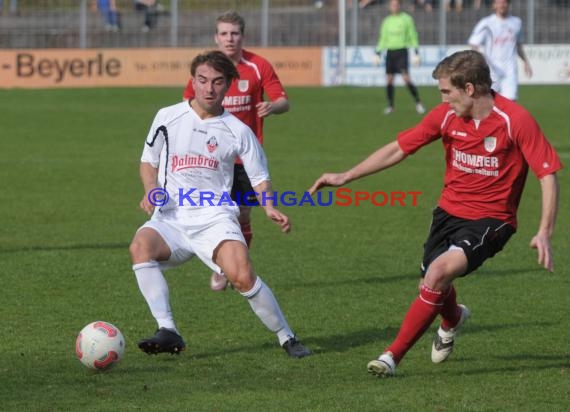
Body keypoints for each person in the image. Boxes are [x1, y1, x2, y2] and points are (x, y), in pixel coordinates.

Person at [308, 50, 561, 377]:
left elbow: (547, 174)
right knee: (430, 284)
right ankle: (453, 318)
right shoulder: (446, 117)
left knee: (437, 274)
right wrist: (346, 175)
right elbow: (399, 147)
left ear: (469, 89)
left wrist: (544, 231)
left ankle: (391, 357)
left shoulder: (516, 120)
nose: (442, 100)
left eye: (446, 92)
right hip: (447, 213)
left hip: (491, 220)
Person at [130, 50, 311, 359]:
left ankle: (286, 336)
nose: (208, 88)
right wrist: (151, 190)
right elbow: (148, 160)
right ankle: (168, 330)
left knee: (242, 277)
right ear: (193, 81)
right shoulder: (167, 117)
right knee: (140, 247)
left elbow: (260, 177)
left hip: (215, 218)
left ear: (228, 85)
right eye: (202, 80)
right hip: (171, 218)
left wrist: (269, 207)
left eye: (216, 82)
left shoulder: (238, 131)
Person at [183, 11, 290, 292]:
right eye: (224, 34)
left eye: (234, 34)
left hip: (243, 159)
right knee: (218, 214)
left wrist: (272, 107)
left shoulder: (257, 66)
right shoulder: (206, 70)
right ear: (216, 37)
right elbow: (187, 107)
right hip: (210, 159)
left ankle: (233, 266)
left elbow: (283, 100)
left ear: (242, 36)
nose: (229, 39)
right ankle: (222, 266)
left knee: (242, 216)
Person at [468, 0, 533, 101]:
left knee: (511, 103)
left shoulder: (516, 22)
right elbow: (474, 43)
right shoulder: (486, 23)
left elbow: (518, 45)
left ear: (508, 4)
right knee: (490, 103)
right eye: (499, 2)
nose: (502, 5)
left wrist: (526, 62)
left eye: (504, 2)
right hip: (492, 71)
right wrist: (481, 59)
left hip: (510, 70)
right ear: (494, 5)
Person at [374, 0, 426, 115]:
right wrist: (378, 52)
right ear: (390, 6)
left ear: (400, 6)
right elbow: (383, 39)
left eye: (396, 4)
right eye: (392, 5)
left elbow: (413, 35)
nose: (394, 6)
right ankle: (391, 106)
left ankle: (418, 102)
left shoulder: (406, 19)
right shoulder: (387, 21)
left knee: (406, 78)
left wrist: (416, 51)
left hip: (402, 51)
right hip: (390, 52)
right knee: (389, 79)